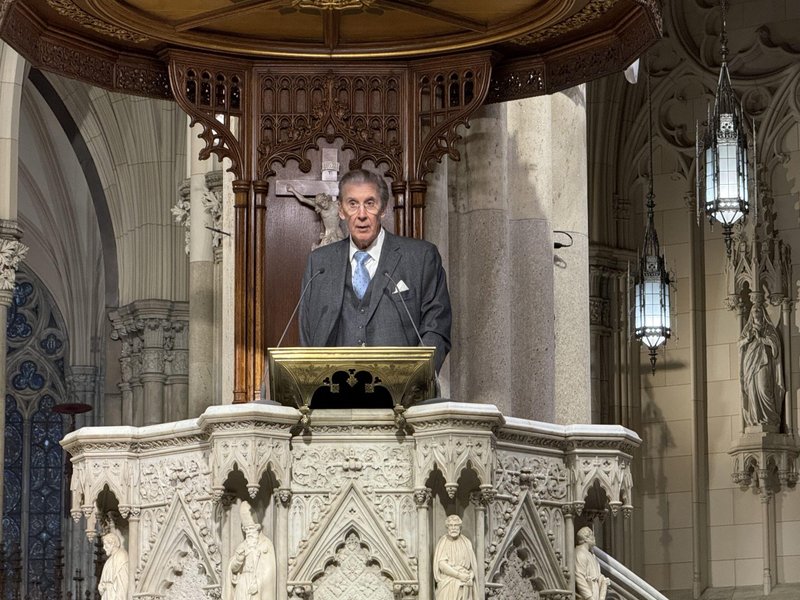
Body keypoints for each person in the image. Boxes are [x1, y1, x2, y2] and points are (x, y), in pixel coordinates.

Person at [298, 168, 451, 372]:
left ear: (383, 209)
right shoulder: (319, 263)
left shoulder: (421, 257)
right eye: (352, 204)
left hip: (402, 395)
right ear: (341, 210)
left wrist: (418, 379)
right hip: (332, 394)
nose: (361, 215)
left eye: (370, 203)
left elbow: (436, 327)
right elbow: (307, 331)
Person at [739, 302, 783, 429]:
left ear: (763, 313)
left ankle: (770, 419)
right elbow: (739, 345)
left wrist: (761, 338)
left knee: (763, 388)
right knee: (752, 390)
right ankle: (756, 418)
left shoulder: (768, 328)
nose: (756, 311)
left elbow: (775, 345)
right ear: (751, 314)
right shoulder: (747, 329)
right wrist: (748, 338)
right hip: (750, 363)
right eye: (754, 310)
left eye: (758, 309)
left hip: (763, 362)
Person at [224, 501, 276, 600]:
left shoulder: (266, 544)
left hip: (256, 586)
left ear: (257, 528)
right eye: (246, 529)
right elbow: (233, 569)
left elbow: (269, 571)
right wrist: (238, 561)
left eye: (251, 528)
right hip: (242, 585)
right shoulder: (242, 546)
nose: (249, 532)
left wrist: (259, 584)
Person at [433, 515, 479, 600]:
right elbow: (442, 565)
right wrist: (459, 575)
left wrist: (470, 576)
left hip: (465, 582)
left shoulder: (466, 542)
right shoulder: (443, 542)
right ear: (447, 528)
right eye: (451, 525)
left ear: (460, 527)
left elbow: (473, 566)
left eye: (456, 525)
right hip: (448, 582)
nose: (453, 528)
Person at [574, 526, 609, 600]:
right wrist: (589, 597)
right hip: (588, 594)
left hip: (595, 590)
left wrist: (603, 580)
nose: (594, 537)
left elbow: (597, 575)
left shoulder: (591, 555)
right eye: (592, 535)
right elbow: (579, 577)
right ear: (586, 538)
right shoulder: (580, 553)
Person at [98, 530, 129, 600]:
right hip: (107, 595)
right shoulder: (109, 560)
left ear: (113, 543)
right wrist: (102, 586)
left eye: (105, 545)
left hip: (114, 595)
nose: (104, 547)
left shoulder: (121, 556)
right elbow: (103, 581)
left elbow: (123, 583)